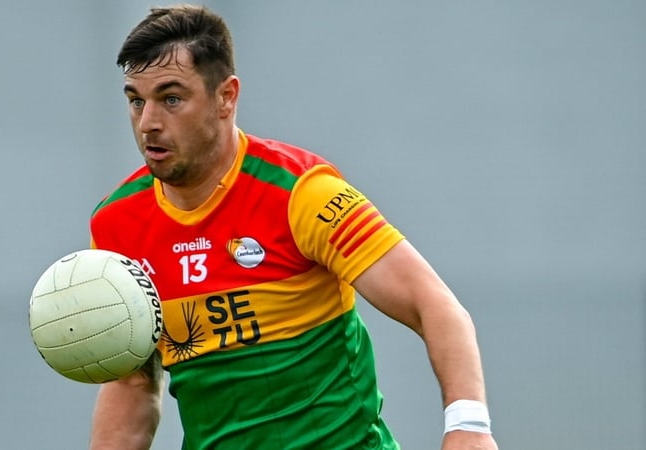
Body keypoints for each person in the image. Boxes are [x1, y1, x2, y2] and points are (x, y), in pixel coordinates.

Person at [88, 4, 498, 450]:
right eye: (135, 100)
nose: (148, 122)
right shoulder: (116, 226)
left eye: (171, 98)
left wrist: (469, 426)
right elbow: (132, 385)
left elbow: (433, 305)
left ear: (226, 97)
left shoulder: (301, 193)